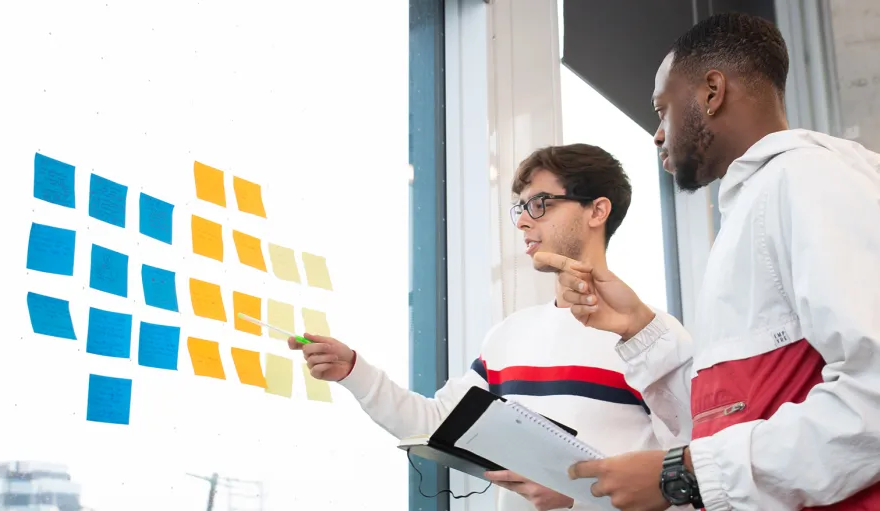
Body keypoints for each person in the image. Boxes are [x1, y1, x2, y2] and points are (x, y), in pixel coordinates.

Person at [543, 11, 880, 511]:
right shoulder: (756, 204)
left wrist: (681, 474)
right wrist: (637, 327)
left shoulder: (808, 181)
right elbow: (733, 414)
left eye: (662, 109)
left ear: (711, 91)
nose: (658, 134)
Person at [289, 143, 693, 511]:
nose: (522, 222)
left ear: (597, 211)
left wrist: (576, 497)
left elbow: (694, 483)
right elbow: (435, 424)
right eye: (519, 208)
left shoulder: (653, 337)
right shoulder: (508, 337)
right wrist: (353, 371)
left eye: (540, 203)